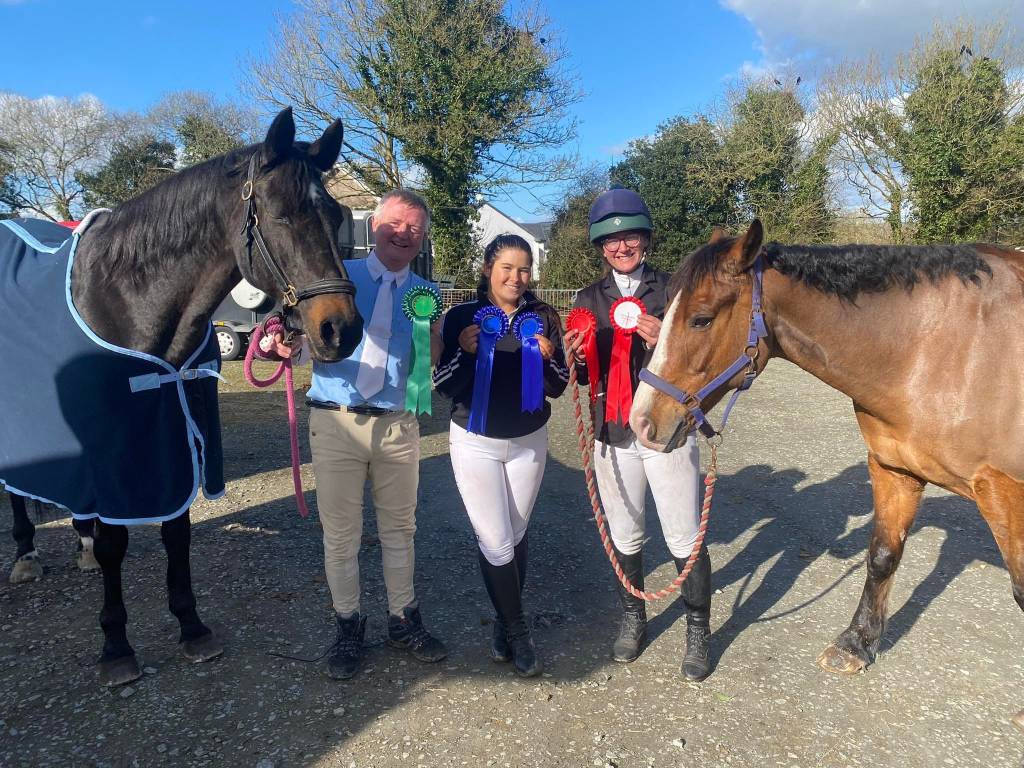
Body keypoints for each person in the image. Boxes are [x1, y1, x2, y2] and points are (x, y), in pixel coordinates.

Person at [271, 189, 448, 680]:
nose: (404, 234)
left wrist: (433, 336)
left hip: (398, 424)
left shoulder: (426, 293)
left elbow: (428, 363)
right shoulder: (337, 277)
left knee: (400, 529)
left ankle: (403, 618)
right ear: (374, 226)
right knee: (341, 535)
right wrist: (284, 345)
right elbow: (301, 341)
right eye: (396, 224)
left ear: (423, 238)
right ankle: (348, 624)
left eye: (415, 228)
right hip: (337, 422)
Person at [563, 187, 712, 681]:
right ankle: (634, 616)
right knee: (625, 534)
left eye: (630, 237)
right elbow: (581, 378)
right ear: (600, 247)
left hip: (665, 430)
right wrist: (577, 356)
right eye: (611, 240)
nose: (621, 246)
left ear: (644, 239)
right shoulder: (588, 299)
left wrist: (660, 339)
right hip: (611, 430)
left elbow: (696, 359)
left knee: (683, 534)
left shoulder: (672, 291)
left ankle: (697, 629)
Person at [432, 234, 568, 677]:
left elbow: (559, 385)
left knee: (515, 532)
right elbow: (443, 385)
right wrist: (465, 351)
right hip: (475, 441)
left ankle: (503, 623)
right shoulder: (461, 318)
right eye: (507, 267)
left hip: (529, 441)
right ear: (488, 268)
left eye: (524, 269)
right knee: (494, 538)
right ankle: (518, 630)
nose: (516, 277)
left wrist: (547, 358)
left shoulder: (543, 317)